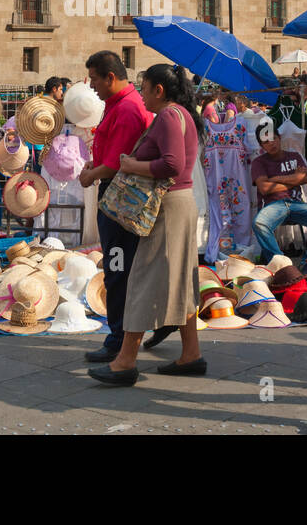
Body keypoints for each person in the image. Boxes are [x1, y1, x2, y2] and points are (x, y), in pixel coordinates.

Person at [88, 64, 203, 385]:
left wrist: (131, 164)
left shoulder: (168, 116)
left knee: (140, 281)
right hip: (180, 203)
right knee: (181, 282)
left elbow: (171, 164)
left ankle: (125, 361)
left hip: (167, 207)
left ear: (159, 90)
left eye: (144, 86)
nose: (141, 93)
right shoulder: (182, 114)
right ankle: (191, 353)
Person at [78, 50, 153, 364]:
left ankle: (118, 338)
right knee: (119, 268)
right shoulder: (120, 105)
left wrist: (91, 175)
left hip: (118, 201)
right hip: (116, 196)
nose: (91, 85)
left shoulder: (126, 109)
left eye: (94, 78)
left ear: (110, 76)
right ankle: (121, 334)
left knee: (118, 269)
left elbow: (117, 163)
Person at [251, 123, 307, 267]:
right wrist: (293, 180)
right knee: (259, 223)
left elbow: (305, 178)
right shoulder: (259, 162)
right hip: (273, 206)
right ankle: (281, 265)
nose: (271, 143)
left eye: (273, 138)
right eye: (265, 142)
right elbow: (264, 188)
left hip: (296, 204)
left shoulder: (294, 156)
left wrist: (275, 179)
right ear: (261, 146)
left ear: (279, 137)